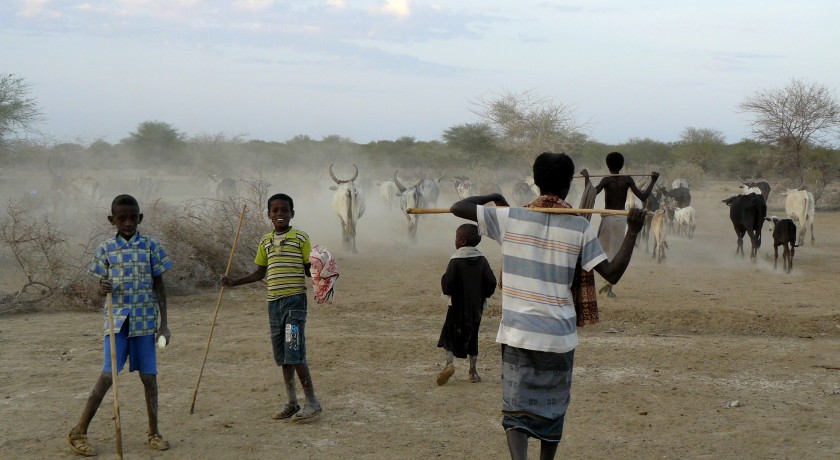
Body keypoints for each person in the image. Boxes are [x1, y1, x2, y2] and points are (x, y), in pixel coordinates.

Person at [450, 152, 647, 460]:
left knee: (516, 408)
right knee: (552, 410)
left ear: (537, 181)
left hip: (518, 333)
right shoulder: (579, 227)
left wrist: (496, 196)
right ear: (569, 185)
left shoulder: (510, 217)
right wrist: (633, 232)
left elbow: (457, 207)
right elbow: (613, 274)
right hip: (558, 336)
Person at [67, 194, 173, 456]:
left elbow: (159, 286)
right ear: (111, 220)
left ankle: (154, 432)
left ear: (140, 218)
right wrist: (101, 289)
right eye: (121, 218)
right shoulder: (105, 249)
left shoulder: (150, 246)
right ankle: (78, 432)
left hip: (146, 321)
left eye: (132, 218)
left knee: (149, 377)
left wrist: (165, 325)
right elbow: (99, 289)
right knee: (107, 376)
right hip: (117, 322)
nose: (128, 223)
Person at [221, 193, 322, 422]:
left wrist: (321, 269)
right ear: (268, 215)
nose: (280, 214)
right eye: (275, 211)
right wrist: (233, 282)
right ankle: (292, 402)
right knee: (283, 355)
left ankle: (313, 402)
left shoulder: (301, 238)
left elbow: (309, 269)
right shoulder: (265, 241)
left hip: (295, 302)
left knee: (294, 350)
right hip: (274, 304)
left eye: (284, 210)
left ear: (292, 214)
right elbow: (259, 273)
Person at [581, 151, 658, 298]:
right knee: (615, 252)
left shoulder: (606, 180)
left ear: (607, 165)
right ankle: (608, 285)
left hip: (609, 219)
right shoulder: (627, 179)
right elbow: (643, 196)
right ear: (622, 165)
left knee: (601, 252)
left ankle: (604, 284)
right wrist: (653, 181)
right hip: (622, 220)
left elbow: (590, 193)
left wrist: (587, 178)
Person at [436, 223, 497, 386]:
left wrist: (443, 278)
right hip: (475, 308)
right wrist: (482, 295)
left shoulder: (455, 261)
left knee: (449, 336)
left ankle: (449, 365)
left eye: (456, 237)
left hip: (456, 307)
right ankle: (473, 372)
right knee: (472, 337)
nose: (454, 240)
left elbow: (447, 285)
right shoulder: (482, 260)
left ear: (462, 241)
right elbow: (491, 283)